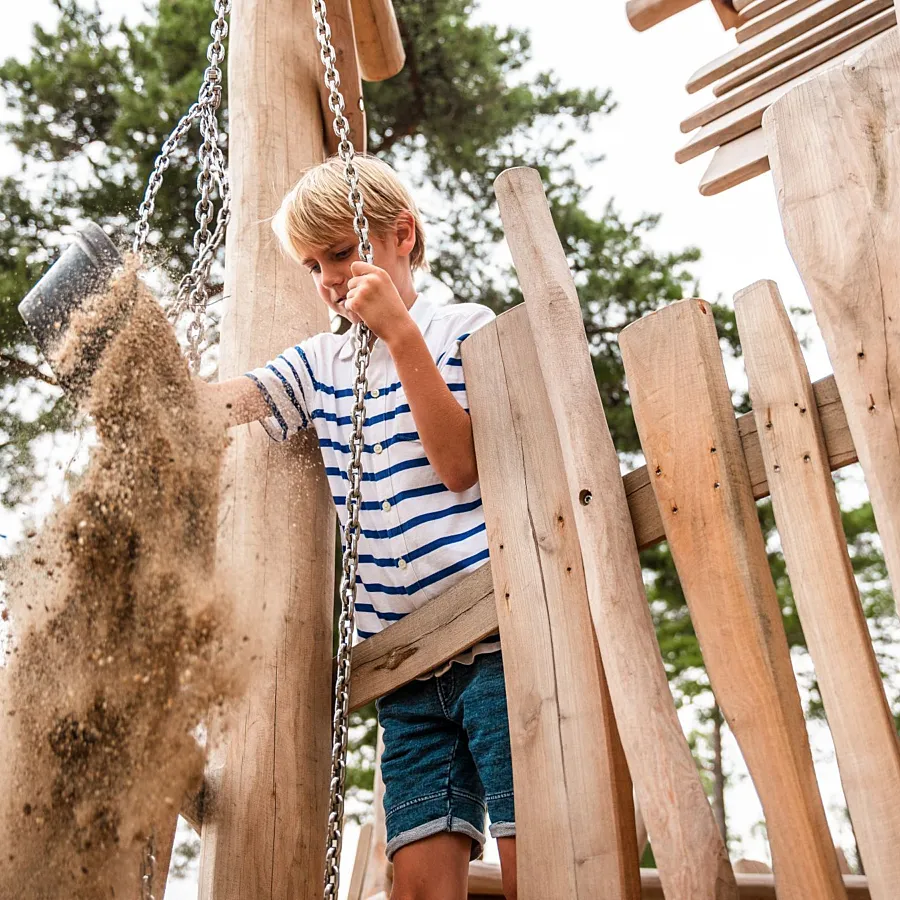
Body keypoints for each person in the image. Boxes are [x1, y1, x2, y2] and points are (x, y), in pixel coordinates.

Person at [201, 155, 517, 900]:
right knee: (414, 883)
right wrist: (141, 378)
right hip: (405, 671)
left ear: (401, 234)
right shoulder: (320, 363)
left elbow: (460, 464)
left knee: (530, 855)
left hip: (492, 643)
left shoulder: (459, 330)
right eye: (314, 265)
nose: (329, 280)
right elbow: (231, 402)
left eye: (341, 253)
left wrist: (401, 335)